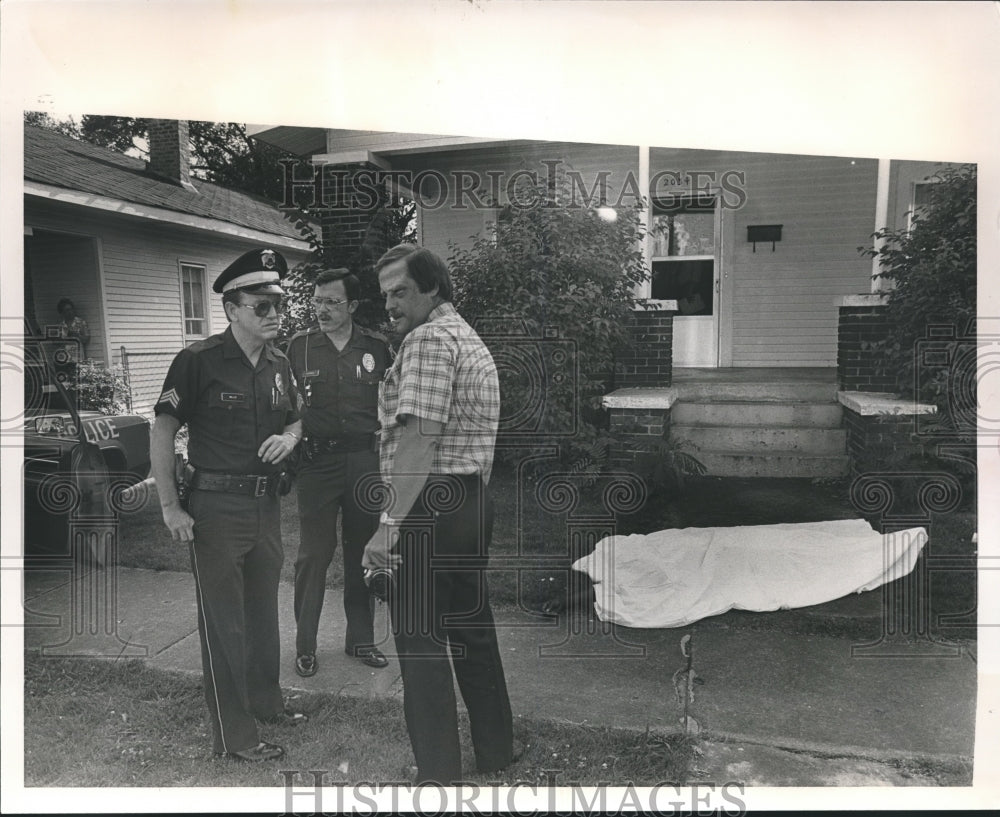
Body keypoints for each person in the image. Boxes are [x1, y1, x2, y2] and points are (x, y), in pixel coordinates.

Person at [362, 244, 516, 784]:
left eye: (400, 292)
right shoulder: (466, 336)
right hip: (469, 503)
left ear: (432, 288)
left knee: (421, 643)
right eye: (385, 296)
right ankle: (497, 753)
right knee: (472, 631)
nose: (390, 306)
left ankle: (438, 775)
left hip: (429, 506)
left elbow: (418, 440)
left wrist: (387, 527)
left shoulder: (428, 340)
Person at [149, 248, 306, 763]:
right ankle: (236, 737)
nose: (274, 314)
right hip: (214, 509)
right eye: (262, 305)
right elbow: (164, 429)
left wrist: (290, 437)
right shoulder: (198, 361)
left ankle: (266, 703)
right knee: (224, 623)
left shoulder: (281, 363)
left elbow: (297, 420)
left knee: (263, 615)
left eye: (278, 304)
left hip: (265, 509)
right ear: (232, 309)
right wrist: (171, 506)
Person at [286, 269, 390, 675]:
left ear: (352, 306)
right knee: (314, 554)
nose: (322, 310)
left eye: (331, 302)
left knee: (362, 550)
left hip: (365, 463)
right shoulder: (299, 348)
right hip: (317, 464)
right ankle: (305, 645)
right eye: (317, 301)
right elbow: (283, 403)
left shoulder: (377, 348)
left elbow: (395, 402)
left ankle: (361, 640)